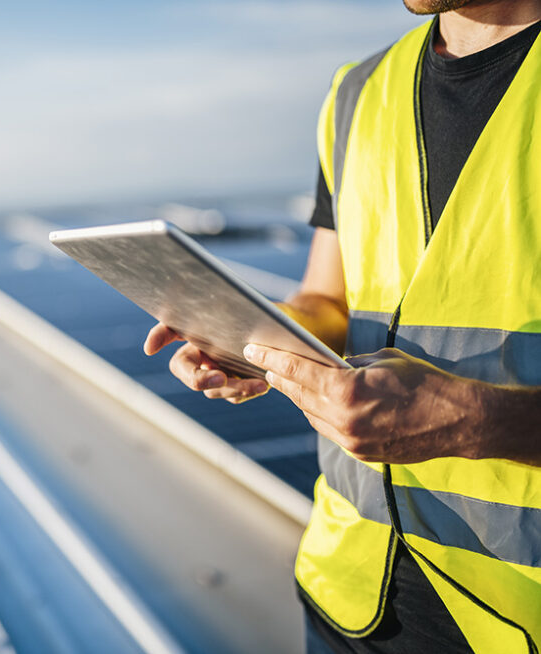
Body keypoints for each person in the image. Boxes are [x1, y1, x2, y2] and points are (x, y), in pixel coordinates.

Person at [143, 1, 541, 652]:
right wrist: (251, 338)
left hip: (519, 613)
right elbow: (328, 299)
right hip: (349, 584)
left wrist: (482, 420)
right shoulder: (358, 91)